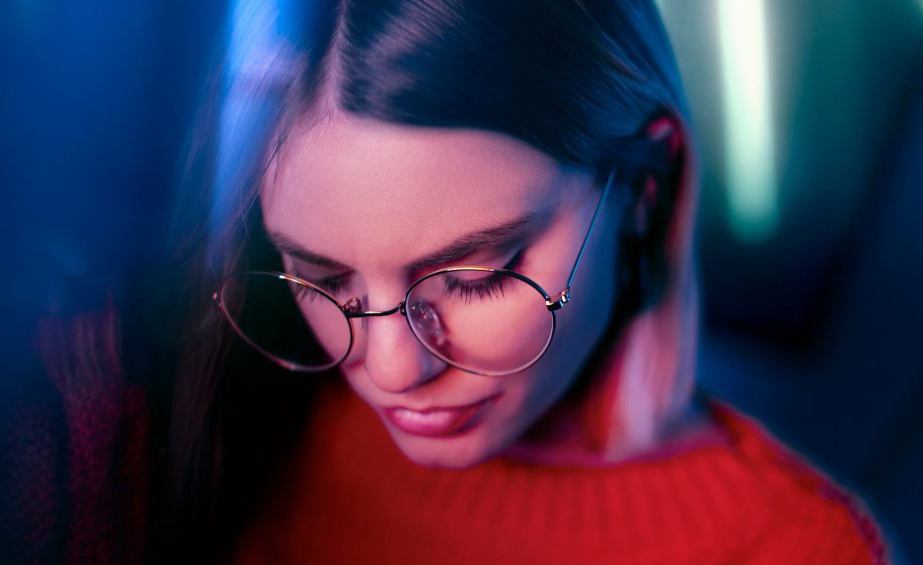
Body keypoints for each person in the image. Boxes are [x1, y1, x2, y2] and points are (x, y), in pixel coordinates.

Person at [151, 0, 889, 563]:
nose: (392, 369)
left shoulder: (791, 546)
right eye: (323, 280)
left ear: (640, 192)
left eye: (477, 277)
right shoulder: (248, 423)